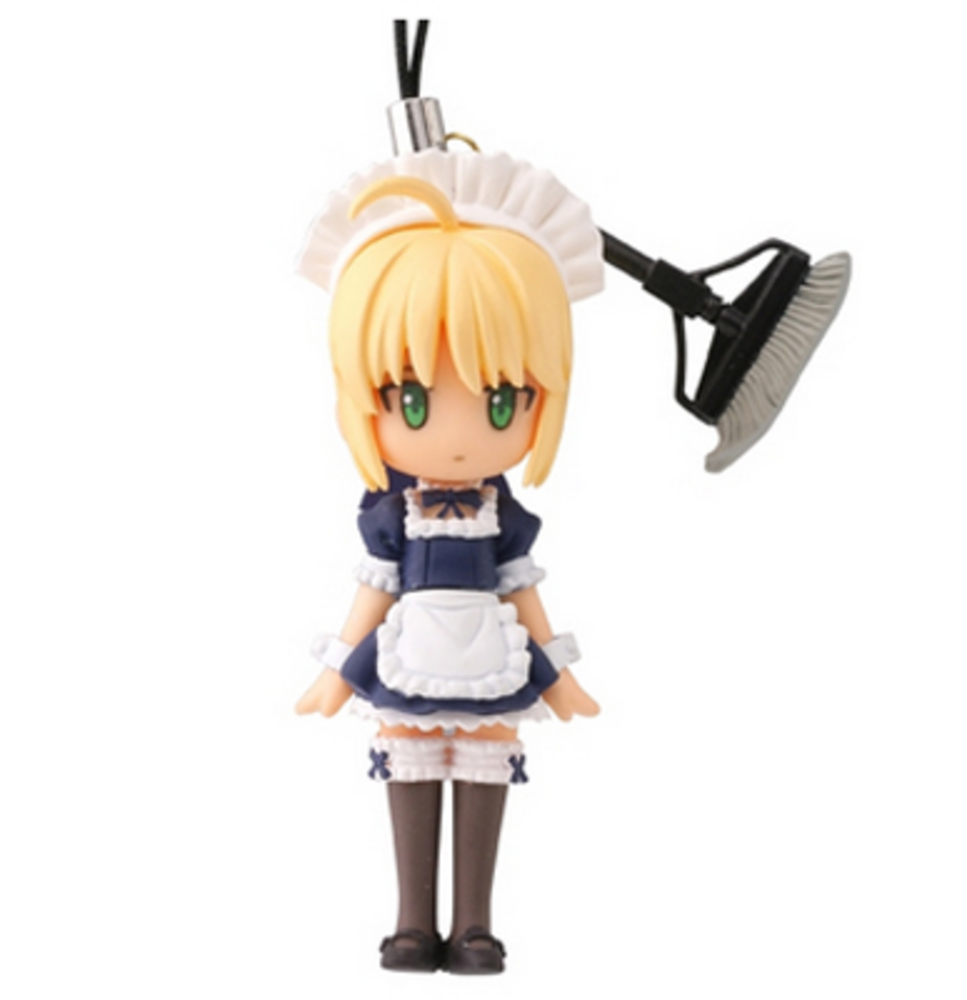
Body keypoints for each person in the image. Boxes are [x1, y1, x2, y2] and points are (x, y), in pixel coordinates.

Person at [296, 153, 603, 974]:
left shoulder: (504, 516)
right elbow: (374, 589)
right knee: (407, 764)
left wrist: (558, 676)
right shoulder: (391, 513)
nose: (460, 432)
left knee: (483, 770)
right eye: (410, 399)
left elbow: (522, 590)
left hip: (491, 660)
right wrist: (335, 672)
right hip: (408, 657)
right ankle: (411, 921)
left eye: (503, 400)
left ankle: (473, 925)